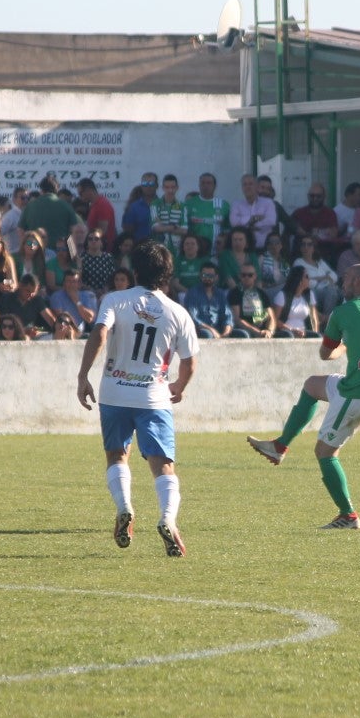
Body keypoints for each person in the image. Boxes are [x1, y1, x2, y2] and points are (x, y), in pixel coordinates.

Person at [247, 255, 360, 530]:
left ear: (358, 282)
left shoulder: (342, 313)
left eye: (346, 279)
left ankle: (348, 515)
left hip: (359, 395)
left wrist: (345, 345)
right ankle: (280, 445)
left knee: (324, 453)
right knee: (313, 385)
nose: (342, 283)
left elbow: (326, 354)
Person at [76, 239, 199, 557]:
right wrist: (179, 387)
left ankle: (125, 508)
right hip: (154, 398)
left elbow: (99, 333)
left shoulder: (115, 300)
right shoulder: (177, 312)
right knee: (163, 466)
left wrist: (83, 376)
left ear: (134, 270)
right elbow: (190, 362)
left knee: (117, 458)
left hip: (114, 394)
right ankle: (168, 520)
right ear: (168, 274)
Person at [20, 173, 82, 247]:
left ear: (41, 189)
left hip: (36, 252)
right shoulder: (66, 206)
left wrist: (28, 248)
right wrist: (72, 254)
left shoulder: (30, 206)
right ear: (57, 189)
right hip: (60, 254)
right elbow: (73, 231)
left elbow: (20, 230)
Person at [182, 261, 233, 339]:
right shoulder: (192, 293)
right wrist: (211, 329)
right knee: (208, 334)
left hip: (219, 330)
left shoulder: (220, 294)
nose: (207, 278)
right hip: (200, 330)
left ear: (216, 277)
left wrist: (226, 332)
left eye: (211, 276)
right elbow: (193, 318)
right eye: (204, 275)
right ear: (200, 276)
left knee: (243, 334)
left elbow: (228, 316)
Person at [292, 183, 341, 263]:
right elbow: (288, 230)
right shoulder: (298, 213)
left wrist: (309, 233)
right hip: (300, 255)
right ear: (308, 196)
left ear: (324, 197)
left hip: (323, 255)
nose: (315, 198)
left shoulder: (330, 213)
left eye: (318, 196)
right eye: (312, 196)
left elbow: (333, 234)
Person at [292, 235, 339, 318]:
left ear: (314, 247)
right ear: (300, 247)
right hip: (311, 293)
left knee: (345, 293)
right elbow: (309, 283)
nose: (306, 247)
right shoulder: (298, 262)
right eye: (303, 244)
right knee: (331, 291)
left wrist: (317, 279)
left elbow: (334, 276)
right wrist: (325, 277)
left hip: (327, 289)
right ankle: (327, 320)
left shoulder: (319, 262)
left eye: (309, 244)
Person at [228, 174, 275, 251]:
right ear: (242, 188)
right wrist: (252, 219)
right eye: (245, 184)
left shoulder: (268, 203)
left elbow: (271, 221)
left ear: (257, 186)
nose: (248, 187)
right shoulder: (236, 204)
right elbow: (234, 222)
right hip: (244, 250)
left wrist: (246, 223)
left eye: (250, 184)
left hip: (264, 249)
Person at [2, 273, 57, 339]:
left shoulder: (37, 300)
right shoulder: (8, 299)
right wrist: (24, 330)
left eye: (33, 292)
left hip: (32, 335)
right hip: (11, 335)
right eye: (28, 291)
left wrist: (39, 330)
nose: (31, 295)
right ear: (20, 286)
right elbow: (3, 325)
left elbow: (50, 320)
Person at [228, 263, 275, 338]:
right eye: (243, 275)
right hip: (244, 329)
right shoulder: (234, 293)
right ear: (239, 276)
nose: (247, 277)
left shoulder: (261, 293)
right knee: (246, 335)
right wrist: (257, 332)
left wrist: (269, 331)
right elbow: (237, 319)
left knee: (285, 335)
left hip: (263, 329)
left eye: (250, 275)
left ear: (255, 276)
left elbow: (271, 317)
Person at [273, 265, 320, 338]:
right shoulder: (282, 295)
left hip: (304, 332)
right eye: (306, 276)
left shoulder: (309, 295)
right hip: (286, 332)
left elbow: (314, 318)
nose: (309, 279)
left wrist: (315, 333)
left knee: (317, 336)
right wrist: (292, 330)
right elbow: (275, 320)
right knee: (290, 336)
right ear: (299, 280)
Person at [49, 269, 98, 334]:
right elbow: (61, 319)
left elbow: (90, 319)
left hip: (86, 331)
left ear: (79, 284)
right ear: (64, 283)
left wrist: (77, 301)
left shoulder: (88, 295)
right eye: (68, 281)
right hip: (65, 332)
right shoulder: (56, 296)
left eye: (74, 281)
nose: (71, 284)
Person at [149, 173, 187, 254]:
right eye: (167, 187)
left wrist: (164, 227)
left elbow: (184, 230)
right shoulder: (155, 204)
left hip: (178, 249)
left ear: (177, 188)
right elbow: (156, 228)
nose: (170, 190)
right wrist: (174, 227)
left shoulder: (182, 206)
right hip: (159, 248)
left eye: (173, 187)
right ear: (163, 188)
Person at [76, 179, 116, 250]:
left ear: (88, 190)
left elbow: (102, 231)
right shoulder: (94, 205)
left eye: (81, 193)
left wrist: (85, 241)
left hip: (102, 250)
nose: (80, 197)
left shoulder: (102, 205)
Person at [217, 226, 258, 292]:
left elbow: (258, 279)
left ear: (247, 241)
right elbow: (228, 279)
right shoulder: (224, 256)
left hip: (251, 292)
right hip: (230, 292)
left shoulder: (252, 255)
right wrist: (240, 294)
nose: (237, 242)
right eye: (235, 239)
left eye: (240, 239)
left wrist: (258, 293)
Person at [79, 229, 116, 299]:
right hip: (86, 293)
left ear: (101, 242)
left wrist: (105, 289)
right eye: (90, 239)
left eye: (96, 239)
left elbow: (113, 277)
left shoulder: (108, 257)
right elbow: (78, 279)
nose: (93, 241)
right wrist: (91, 290)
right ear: (87, 242)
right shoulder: (81, 258)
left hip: (105, 292)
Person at [121, 172, 158, 240]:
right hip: (140, 247)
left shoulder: (163, 205)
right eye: (144, 184)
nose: (148, 186)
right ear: (141, 186)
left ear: (156, 186)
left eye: (151, 183)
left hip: (160, 247)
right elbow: (128, 232)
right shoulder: (133, 208)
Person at [171, 233, 206, 301]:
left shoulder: (204, 261)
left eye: (193, 244)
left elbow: (207, 280)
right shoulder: (177, 261)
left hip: (201, 292)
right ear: (183, 247)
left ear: (198, 246)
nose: (189, 246)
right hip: (184, 293)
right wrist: (190, 293)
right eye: (187, 244)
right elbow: (175, 283)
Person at [257, 230, 290, 297]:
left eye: (277, 243)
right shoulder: (261, 259)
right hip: (268, 291)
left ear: (281, 245)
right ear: (267, 245)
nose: (274, 245)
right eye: (271, 243)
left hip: (282, 291)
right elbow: (256, 280)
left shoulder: (284, 261)